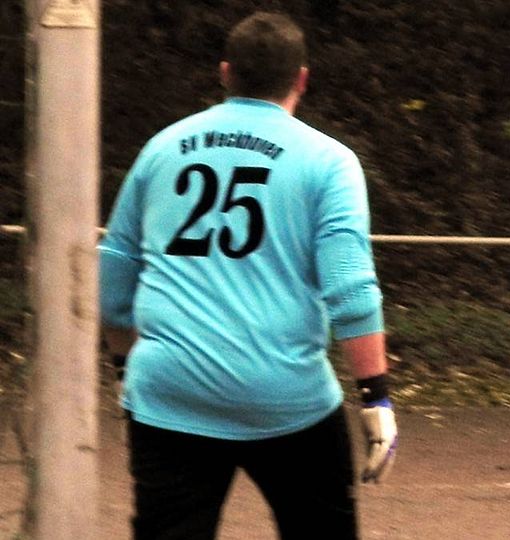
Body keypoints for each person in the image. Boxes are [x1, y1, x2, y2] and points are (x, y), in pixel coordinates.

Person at [98, 12, 396, 539]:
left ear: (225, 72)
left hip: (169, 389)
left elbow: (115, 273)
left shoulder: (161, 149)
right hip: (285, 396)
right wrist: (374, 395)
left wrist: (126, 369)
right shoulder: (329, 161)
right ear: (302, 79)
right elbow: (350, 291)